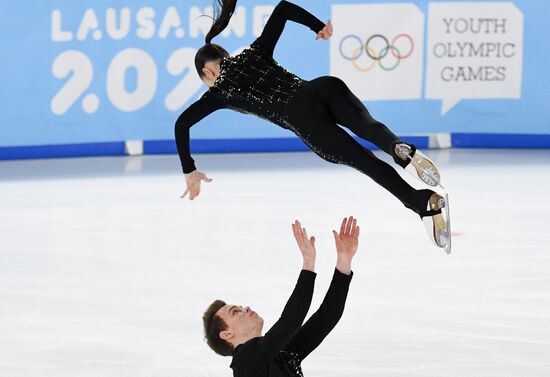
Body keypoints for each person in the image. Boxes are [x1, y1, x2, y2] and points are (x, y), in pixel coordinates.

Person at [175, 0, 450, 250]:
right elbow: (283, 8)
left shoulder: (219, 92)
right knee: (368, 125)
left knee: (368, 162)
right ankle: (398, 148)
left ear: (208, 72)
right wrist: (318, 27)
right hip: (322, 88)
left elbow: (182, 124)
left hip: (307, 123)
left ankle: (423, 203)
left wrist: (189, 169)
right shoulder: (254, 53)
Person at [202, 216, 359, 377]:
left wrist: (344, 262)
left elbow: (327, 316)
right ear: (227, 334)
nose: (245, 308)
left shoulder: (281, 355)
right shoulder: (244, 362)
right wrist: (308, 264)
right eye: (235, 312)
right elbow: (291, 320)